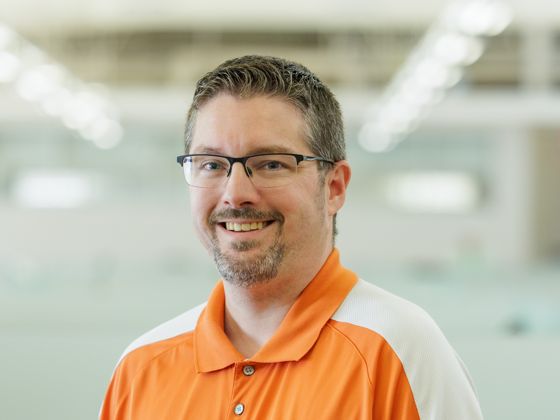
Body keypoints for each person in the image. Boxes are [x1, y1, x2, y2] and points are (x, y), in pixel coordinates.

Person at [100, 55, 483, 419]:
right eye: (212, 165)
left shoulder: (400, 350)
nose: (235, 193)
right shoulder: (141, 367)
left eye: (270, 164)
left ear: (333, 187)